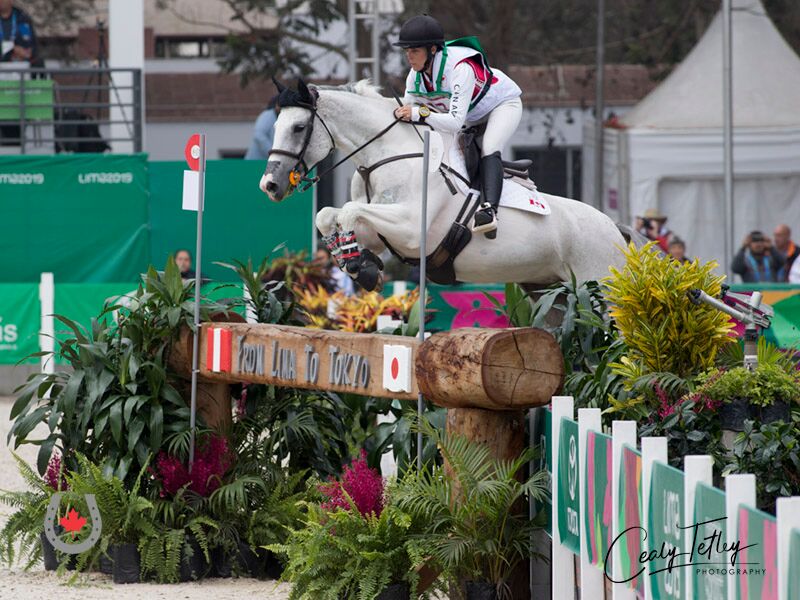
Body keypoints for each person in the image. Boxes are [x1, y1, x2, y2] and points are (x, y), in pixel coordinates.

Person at [392, 14, 523, 237]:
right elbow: (407, 110)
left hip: (501, 105)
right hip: (470, 117)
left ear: (432, 50)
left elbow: (452, 122)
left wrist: (419, 113)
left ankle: (490, 210)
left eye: (414, 51)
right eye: (407, 51)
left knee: (490, 146)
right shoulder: (414, 77)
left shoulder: (460, 68)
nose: (409, 57)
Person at [244, 95, 280, 160]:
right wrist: (273, 153)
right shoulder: (267, 115)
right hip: (255, 162)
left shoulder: (279, 118)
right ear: (276, 105)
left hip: (266, 162)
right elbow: (259, 135)